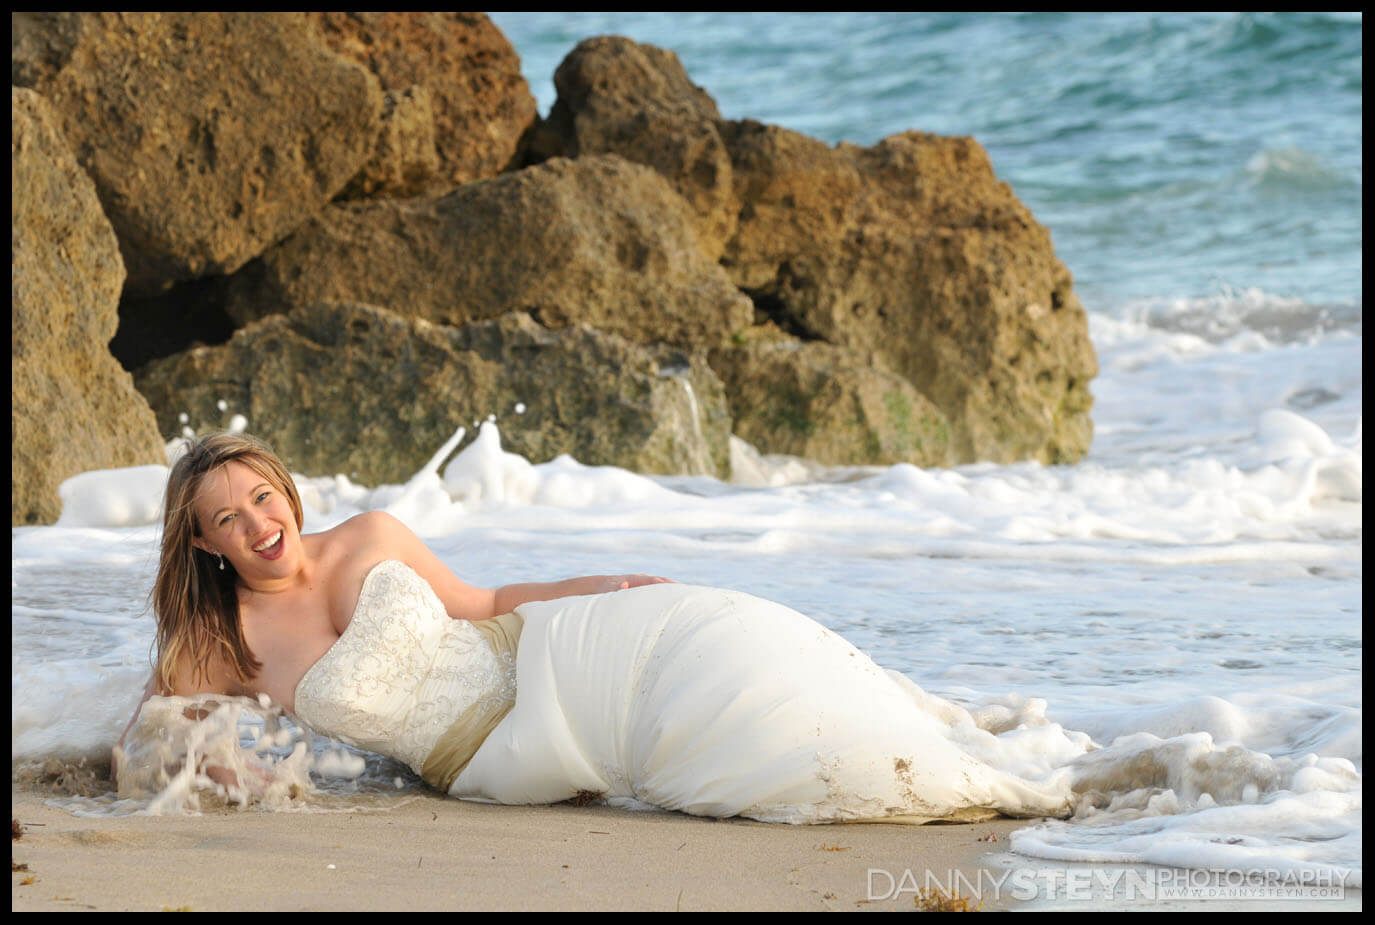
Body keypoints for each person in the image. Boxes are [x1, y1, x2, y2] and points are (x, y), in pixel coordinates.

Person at [117, 431, 1073, 824]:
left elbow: (486, 605)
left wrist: (602, 583)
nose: (255, 521)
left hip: (550, 651)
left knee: (739, 648)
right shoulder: (220, 642)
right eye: (225, 518)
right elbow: (151, 742)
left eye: (258, 495)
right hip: (496, 754)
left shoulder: (371, 533)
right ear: (203, 544)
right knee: (747, 762)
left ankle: (956, 750)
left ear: (283, 488)